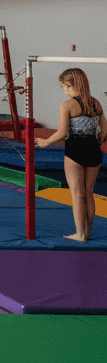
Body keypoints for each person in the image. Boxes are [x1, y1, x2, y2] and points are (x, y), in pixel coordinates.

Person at [36, 68, 104, 242]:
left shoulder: (66, 105)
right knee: (88, 194)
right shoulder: (96, 103)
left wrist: (45, 142)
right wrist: (96, 142)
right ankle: (87, 233)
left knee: (77, 194)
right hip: (94, 151)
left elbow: (62, 132)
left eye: (63, 86)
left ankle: (80, 234)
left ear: (68, 85)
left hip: (75, 151)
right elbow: (104, 132)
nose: (63, 90)